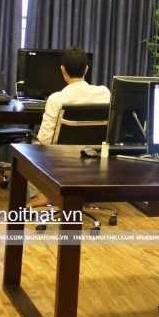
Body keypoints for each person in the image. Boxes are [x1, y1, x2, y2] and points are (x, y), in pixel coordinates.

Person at [28, 46, 110, 208]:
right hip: (94, 158)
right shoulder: (104, 93)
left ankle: (43, 194)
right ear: (86, 69)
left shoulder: (56, 99)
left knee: (32, 147)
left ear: (62, 70)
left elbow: (45, 140)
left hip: (62, 161)